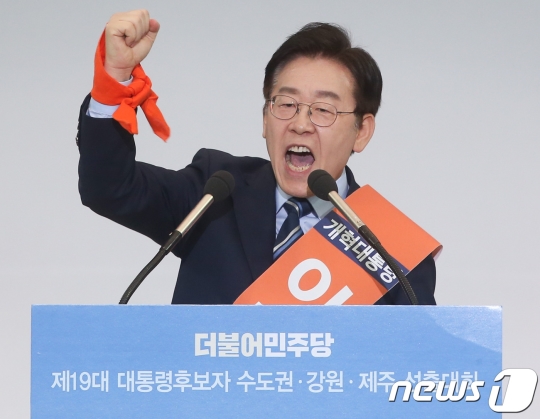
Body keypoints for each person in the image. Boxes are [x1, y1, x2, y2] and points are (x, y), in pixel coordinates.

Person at [77, 10, 436, 305]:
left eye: (323, 110)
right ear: (265, 118)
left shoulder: (395, 253)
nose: (300, 124)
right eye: (286, 104)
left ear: (362, 131)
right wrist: (115, 79)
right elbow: (110, 188)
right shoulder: (215, 192)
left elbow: (417, 360)